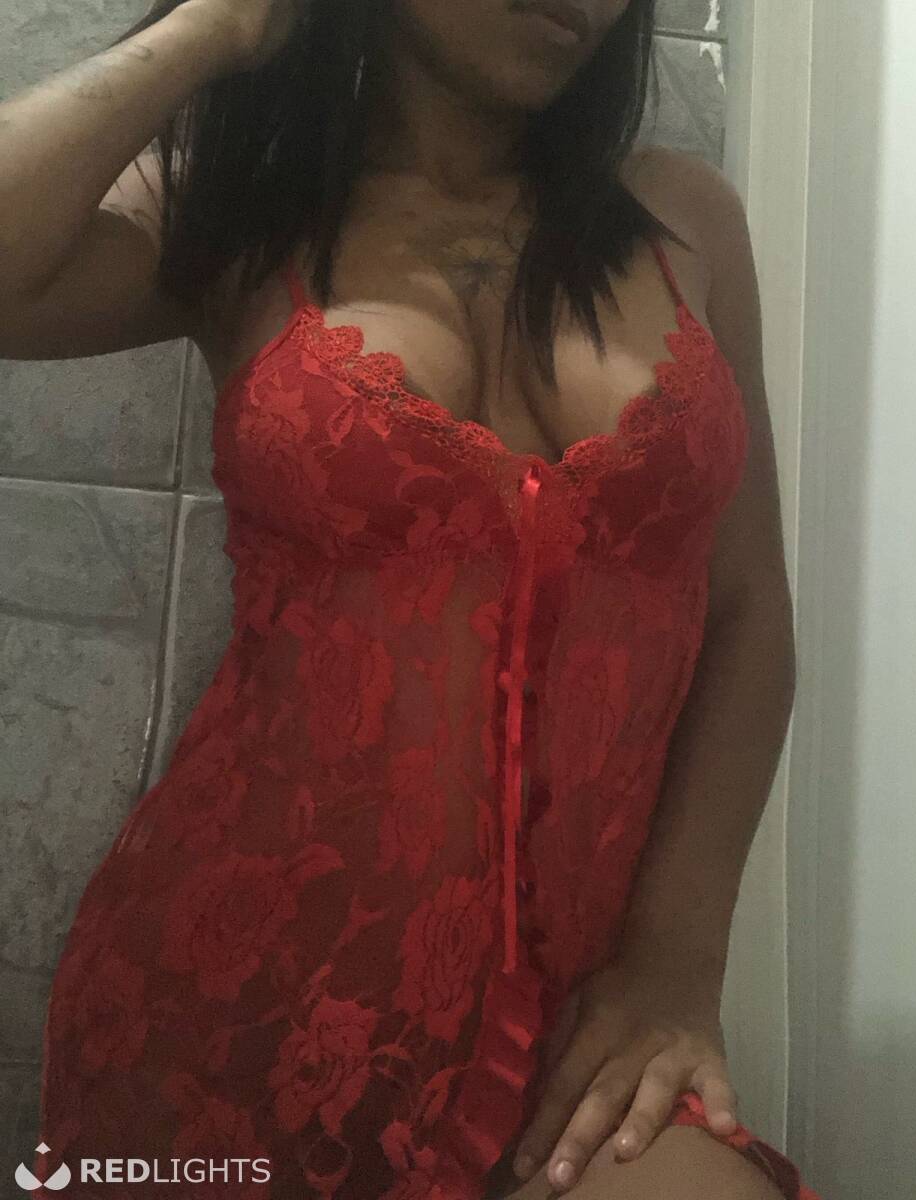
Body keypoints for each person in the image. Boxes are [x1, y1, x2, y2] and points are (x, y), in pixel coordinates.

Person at [1, 1, 815, 1197]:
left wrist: (676, 962)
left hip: (578, 1048)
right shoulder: (253, 212)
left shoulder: (683, 224)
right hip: (233, 1011)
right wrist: (220, 24)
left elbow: (748, 620)